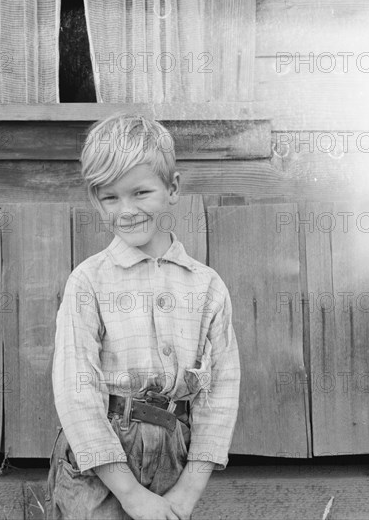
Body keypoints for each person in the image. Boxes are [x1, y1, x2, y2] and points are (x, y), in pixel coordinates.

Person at [46, 114, 240, 520]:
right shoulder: (89, 282)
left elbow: (220, 392)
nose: (126, 210)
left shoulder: (206, 287)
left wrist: (188, 489)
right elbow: (75, 391)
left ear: (172, 188)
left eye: (140, 192)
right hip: (98, 462)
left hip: (174, 453)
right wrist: (130, 495)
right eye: (110, 197)